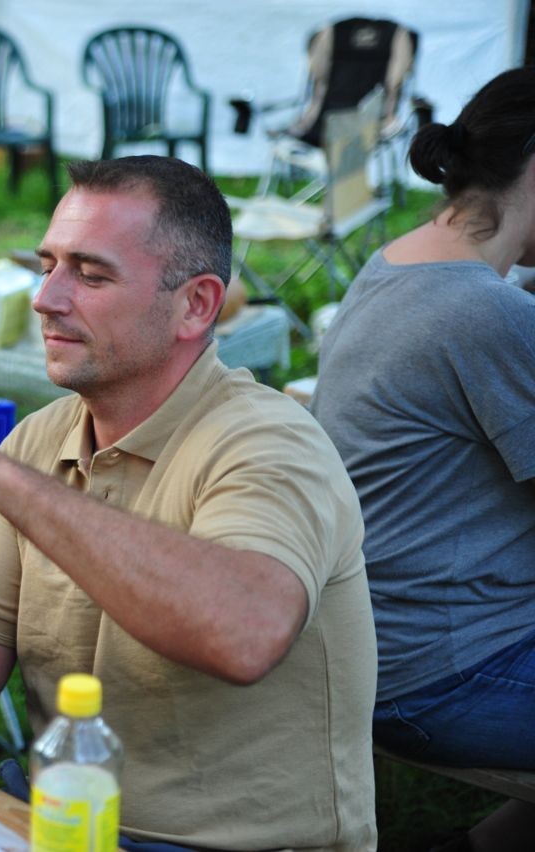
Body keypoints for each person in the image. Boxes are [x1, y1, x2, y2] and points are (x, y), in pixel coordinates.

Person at [0, 156, 378, 849]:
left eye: (90, 273)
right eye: (46, 263)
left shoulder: (271, 442)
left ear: (196, 305)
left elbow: (245, 634)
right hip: (61, 828)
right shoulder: (41, 439)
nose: (46, 297)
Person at [311, 66, 535, 850]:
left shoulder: (406, 259)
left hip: (376, 644)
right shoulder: (485, 312)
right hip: (441, 671)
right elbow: (495, 327)